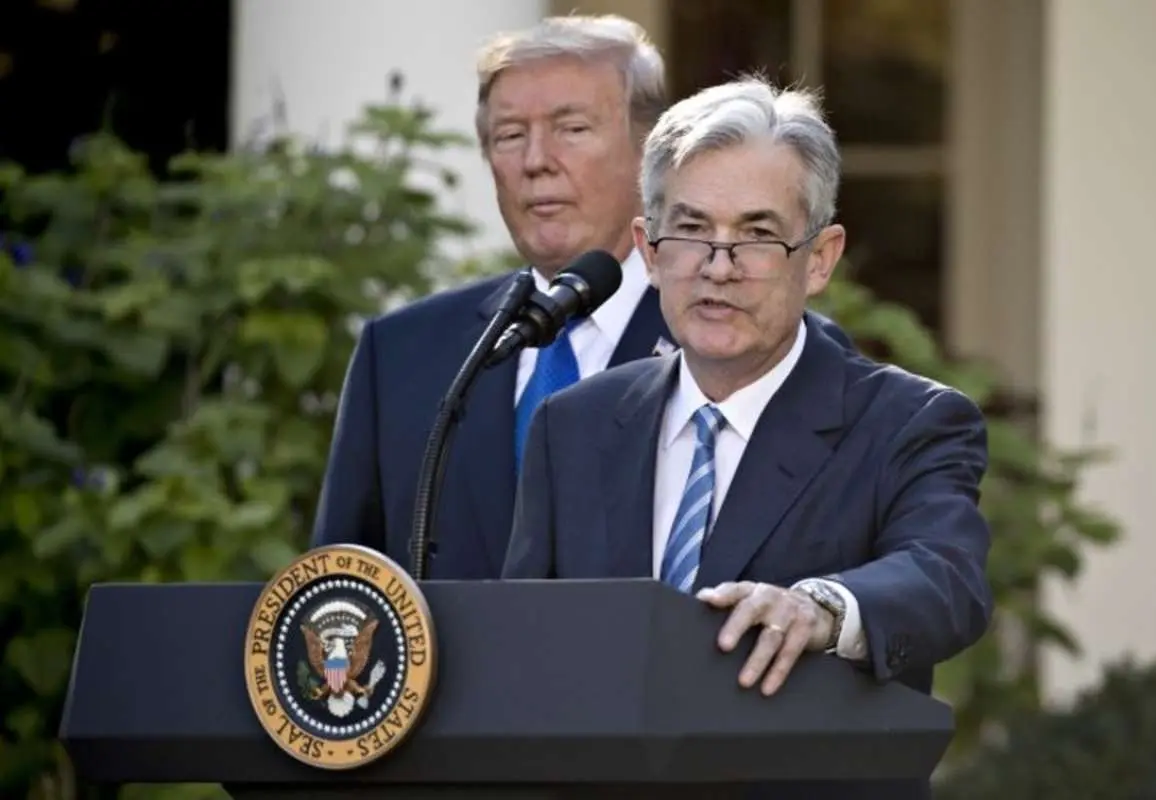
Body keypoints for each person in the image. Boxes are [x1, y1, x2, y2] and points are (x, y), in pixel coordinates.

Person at [502, 77, 992, 799]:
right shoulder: (573, 425)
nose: (718, 266)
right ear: (648, 250)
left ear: (819, 258)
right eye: (692, 230)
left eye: (757, 235)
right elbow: (526, 647)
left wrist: (821, 609)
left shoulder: (907, 423)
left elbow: (945, 578)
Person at [310, 15, 852, 579]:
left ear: (649, 152)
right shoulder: (402, 353)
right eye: (510, 135)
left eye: (571, 129)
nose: (536, 160)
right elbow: (338, 589)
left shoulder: (755, 341)